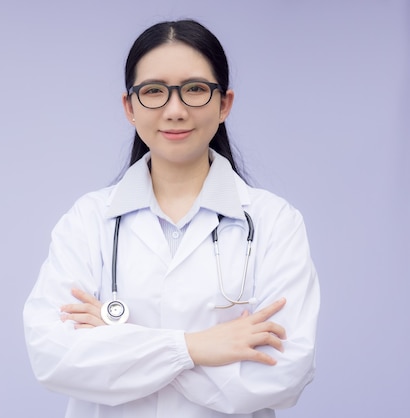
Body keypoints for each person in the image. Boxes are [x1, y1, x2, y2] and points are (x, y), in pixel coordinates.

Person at [23, 19, 320, 418]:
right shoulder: (88, 220)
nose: (175, 110)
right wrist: (195, 347)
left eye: (195, 89)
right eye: (154, 92)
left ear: (224, 104)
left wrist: (122, 344)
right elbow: (53, 356)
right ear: (130, 107)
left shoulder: (274, 222)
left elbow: (284, 372)